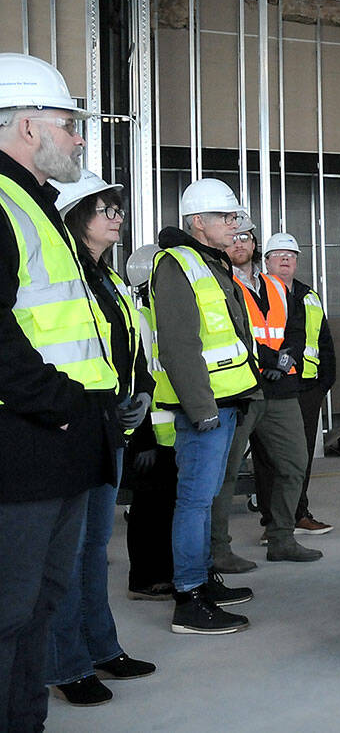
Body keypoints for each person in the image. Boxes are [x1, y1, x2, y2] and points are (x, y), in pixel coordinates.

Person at [0, 53, 118, 730]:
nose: (78, 138)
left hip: (64, 440)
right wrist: (65, 406)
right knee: (11, 610)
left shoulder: (36, 204)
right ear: (23, 127)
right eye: (67, 123)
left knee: (41, 601)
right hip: (27, 442)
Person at [43, 171, 157, 706]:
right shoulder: (60, 276)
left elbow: (127, 344)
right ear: (75, 214)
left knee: (93, 547)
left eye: (118, 209)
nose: (116, 217)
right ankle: (66, 664)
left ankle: (101, 647)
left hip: (108, 423)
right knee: (67, 553)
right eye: (104, 209)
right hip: (69, 425)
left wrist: (141, 392)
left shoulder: (107, 279)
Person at [151, 176, 261, 635]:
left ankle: (202, 582)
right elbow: (178, 346)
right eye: (225, 216)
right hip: (206, 410)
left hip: (227, 402)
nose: (233, 224)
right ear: (198, 222)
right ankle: (189, 597)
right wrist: (203, 410)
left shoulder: (210, 262)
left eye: (234, 216)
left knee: (205, 497)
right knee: (194, 503)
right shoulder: (178, 264)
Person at [210, 224, 320, 566]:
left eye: (247, 237)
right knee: (225, 472)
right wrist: (268, 359)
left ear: (255, 244)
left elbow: (297, 326)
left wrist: (288, 354)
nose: (240, 243)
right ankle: (217, 548)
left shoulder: (274, 285)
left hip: (282, 389)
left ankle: (282, 538)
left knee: (294, 464)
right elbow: (228, 329)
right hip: (242, 389)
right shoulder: (220, 283)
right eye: (235, 236)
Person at [255, 232, 335, 537]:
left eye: (291, 255)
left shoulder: (308, 295)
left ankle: (299, 513)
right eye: (278, 255)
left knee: (299, 456)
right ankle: (272, 522)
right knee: (267, 458)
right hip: (269, 386)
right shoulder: (255, 292)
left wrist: (324, 383)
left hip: (306, 388)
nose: (286, 259)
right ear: (267, 261)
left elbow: (324, 341)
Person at [120, 243, 179, 602]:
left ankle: (165, 572)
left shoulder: (162, 315)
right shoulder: (139, 318)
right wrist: (142, 440)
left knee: (166, 509)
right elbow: (135, 382)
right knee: (148, 512)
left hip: (172, 432)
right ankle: (143, 578)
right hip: (150, 434)